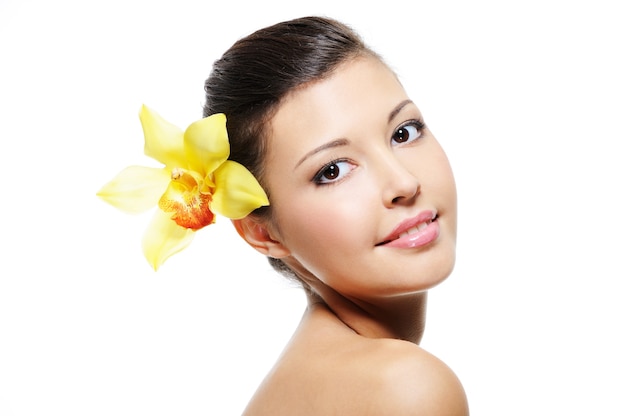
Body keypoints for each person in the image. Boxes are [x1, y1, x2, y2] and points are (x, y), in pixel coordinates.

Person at [99, 15, 468, 415]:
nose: (404, 183)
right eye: (333, 171)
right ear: (262, 233)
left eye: (404, 132)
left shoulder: (305, 382)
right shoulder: (402, 386)